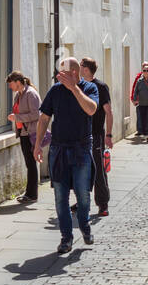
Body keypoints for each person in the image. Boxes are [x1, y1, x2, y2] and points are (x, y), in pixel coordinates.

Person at [35, 58, 99, 254]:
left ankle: (85, 228)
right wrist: (37, 144)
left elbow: (91, 109)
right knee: (60, 196)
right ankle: (66, 238)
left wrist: (74, 88)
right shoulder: (55, 90)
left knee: (82, 194)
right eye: (59, 73)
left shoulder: (89, 88)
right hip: (59, 149)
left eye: (63, 72)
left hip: (81, 149)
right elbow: (44, 117)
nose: (59, 76)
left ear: (75, 72)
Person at [79, 57, 112, 218]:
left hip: (96, 134)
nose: (78, 68)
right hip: (79, 134)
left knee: (98, 169)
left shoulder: (101, 87)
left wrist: (109, 135)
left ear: (86, 69)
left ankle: (103, 204)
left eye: (80, 66)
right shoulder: (78, 86)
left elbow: (109, 112)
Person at [6, 71, 41, 203]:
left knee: (31, 163)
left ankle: (32, 195)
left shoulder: (30, 93)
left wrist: (17, 117)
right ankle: (30, 193)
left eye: (11, 84)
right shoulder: (18, 95)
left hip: (30, 132)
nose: (10, 87)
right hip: (23, 132)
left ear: (18, 82)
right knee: (29, 163)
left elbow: (36, 114)